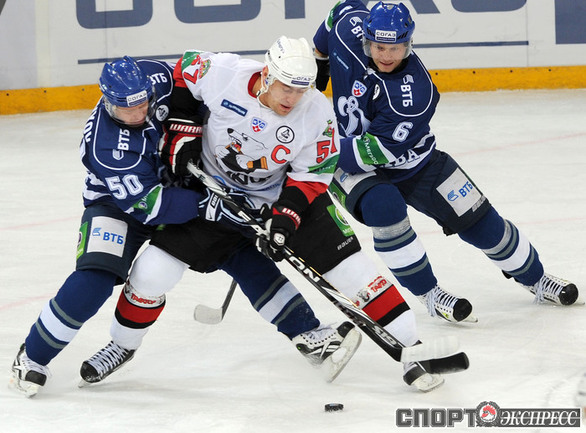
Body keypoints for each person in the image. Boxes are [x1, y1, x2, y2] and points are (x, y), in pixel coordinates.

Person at [81, 36, 452, 393]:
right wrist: (185, 131)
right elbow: (184, 70)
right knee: (151, 273)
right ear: (266, 75)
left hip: (281, 195)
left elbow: (312, 176)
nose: (292, 98)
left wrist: (286, 217)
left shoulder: (316, 114)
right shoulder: (226, 73)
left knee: (352, 270)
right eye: (286, 87)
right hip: (210, 193)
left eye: (301, 89)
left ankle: (413, 349)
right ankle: (122, 345)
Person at [8, 56, 358, 397]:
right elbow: (149, 205)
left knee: (239, 254)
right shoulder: (106, 147)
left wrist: (188, 131)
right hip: (121, 205)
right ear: (108, 101)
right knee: (94, 280)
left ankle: (308, 333)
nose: (139, 114)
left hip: (189, 185)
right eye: (127, 110)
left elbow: (192, 84)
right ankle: (35, 356)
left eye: (143, 104)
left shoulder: (155, 78)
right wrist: (206, 205)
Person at [312, 1, 580, 323]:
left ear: (409, 44)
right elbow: (339, 12)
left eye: (395, 48)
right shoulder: (348, 30)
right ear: (366, 39)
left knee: (483, 224)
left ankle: (536, 278)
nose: (386, 56)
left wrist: (311, 147)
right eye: (379, 47)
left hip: (409, 161)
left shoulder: (415, 95)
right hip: (353, 168)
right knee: (385, 207)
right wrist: (320, 59)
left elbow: (366, 154)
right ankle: (429, 293)